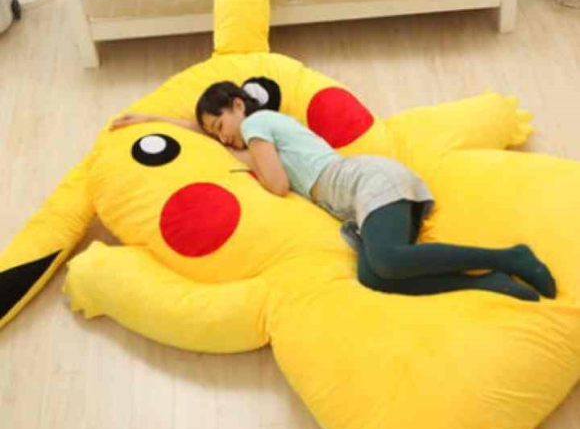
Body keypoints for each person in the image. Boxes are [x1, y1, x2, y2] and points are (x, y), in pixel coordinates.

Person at [111, 81, 557, 302]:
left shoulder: (256, 125)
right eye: (214, 133)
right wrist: (155, 120)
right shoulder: (250, 130)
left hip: (369, 182)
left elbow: (277, 184)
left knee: (387, 261)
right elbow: (209, 135)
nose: (222, 137)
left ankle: (509, 258)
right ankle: (488, 283)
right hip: (364, 200)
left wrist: (240, 156)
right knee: (374, 278)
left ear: (239, 105)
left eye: (220, 124)